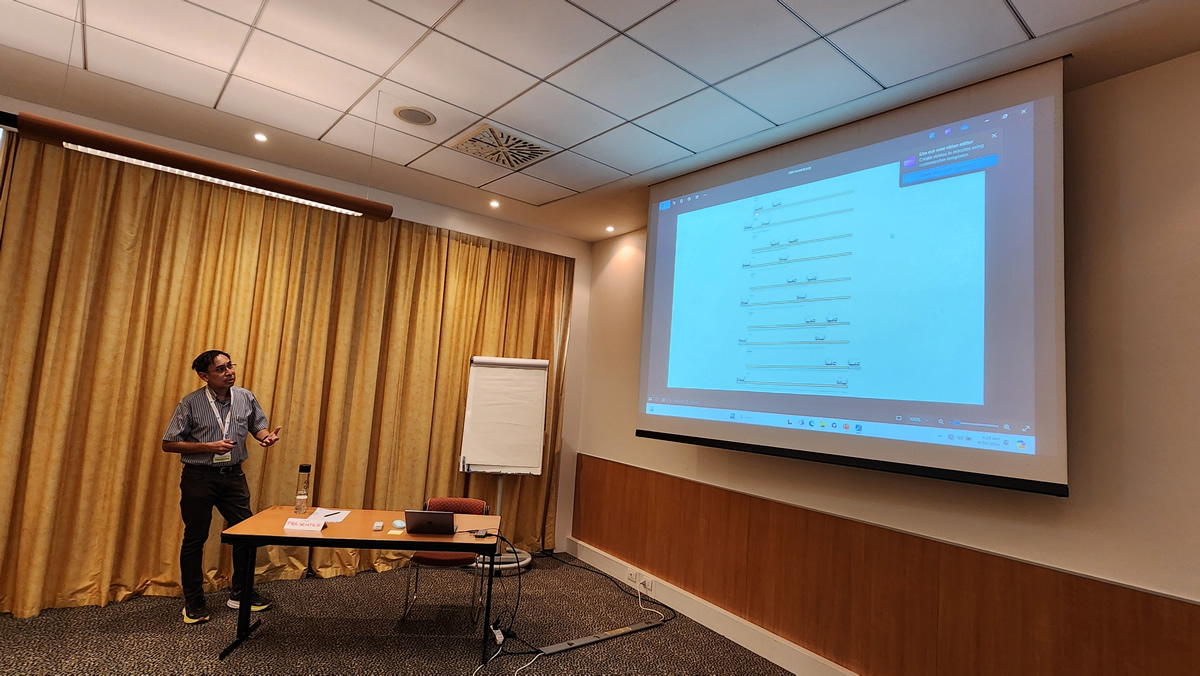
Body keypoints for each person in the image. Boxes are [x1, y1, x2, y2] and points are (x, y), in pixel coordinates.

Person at [162, 350, 282, 625]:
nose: (229, 372)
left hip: (233, 476)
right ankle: (194, 601)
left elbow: (257, 426)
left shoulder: (245, 396)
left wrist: (265, 437)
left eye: (230, 366)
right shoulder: (190, 403)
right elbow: (168, 443)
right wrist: (207, 446)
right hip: (199, 477)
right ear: (204, 376)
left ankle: (240, 592)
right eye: (221, 369)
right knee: (195, 538)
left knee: (246, 533)